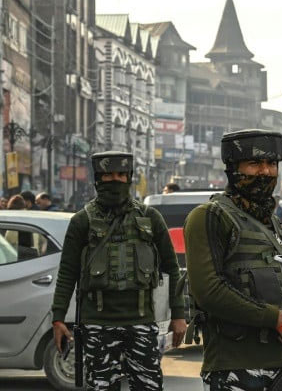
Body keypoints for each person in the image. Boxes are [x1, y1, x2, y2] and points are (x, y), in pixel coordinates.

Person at [184, 130, 282, 391]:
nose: (265, 172)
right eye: (255, 164)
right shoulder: (210, 217)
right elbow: (208, 291)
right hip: (234, 369)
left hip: (281, 367)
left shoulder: (271, 223)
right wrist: (279, 320)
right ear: (233, 169)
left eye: (272, 164)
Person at [51, 151, 186, 390]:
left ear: (129, 177)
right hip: (98, 325)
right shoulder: (82, 221)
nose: (116, 180)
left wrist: (178, 314)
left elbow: (172, 268)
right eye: (108, 175)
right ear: (97, 179)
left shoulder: (150, 217)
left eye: (121, 175)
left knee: (149, 387)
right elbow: (67, 273)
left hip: (141, 322)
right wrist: (58, 318)